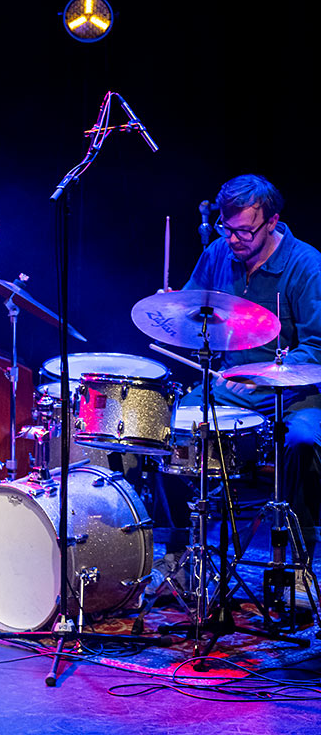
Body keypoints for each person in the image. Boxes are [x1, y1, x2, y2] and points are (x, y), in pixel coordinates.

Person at [155, 175, 321, 603]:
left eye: (244, 231)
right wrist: (171, 308)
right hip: (230, 386)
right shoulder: (217, 253)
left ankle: (298, 565)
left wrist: (265, 373)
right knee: (163, 432)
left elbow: (318, 348)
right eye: (228, 229)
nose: (234, 240)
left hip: (295, 391)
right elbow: (192, 315)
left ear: (273, 223)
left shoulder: (306, 264)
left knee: (302, 441)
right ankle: (177, 553)